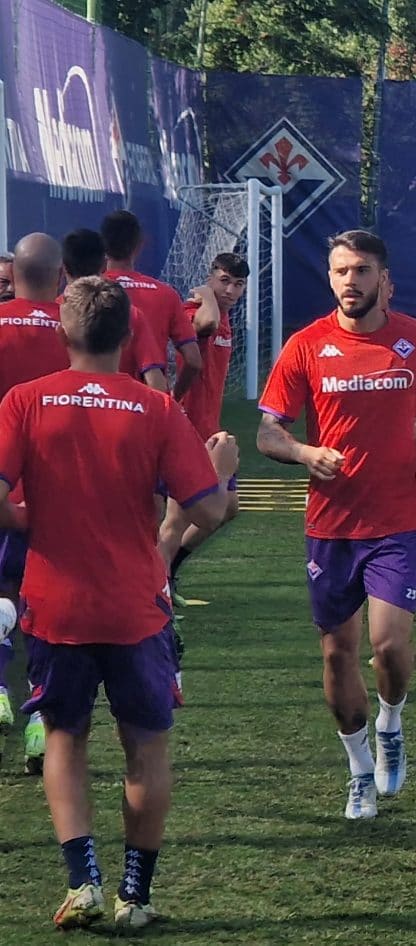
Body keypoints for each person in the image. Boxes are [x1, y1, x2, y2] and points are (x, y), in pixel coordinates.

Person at [0, 275, 237, 929]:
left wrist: (25, 522)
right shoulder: (156, 409)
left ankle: (84, 885)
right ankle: (136, 895)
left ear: (63, 331)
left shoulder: (25, 401)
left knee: (65, 740)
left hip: (55, 605)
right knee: (145, 747)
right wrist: (218, 471)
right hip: (135, 607)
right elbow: (209, 510)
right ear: (129, 333)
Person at [257, 230, 416, 819]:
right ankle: (359, 771)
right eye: (341, 270)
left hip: (399, 518)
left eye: (362, 270)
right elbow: (269, 431)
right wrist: (302, 453)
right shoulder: (305, 346)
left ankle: (391, 722)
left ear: (383, 278)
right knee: (335, 655)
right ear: (330, 277)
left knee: (389, 646)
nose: (351, 281)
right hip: (331, 523)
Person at [0, 234, 74, 772]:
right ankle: (37, 721)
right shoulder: (76, 330)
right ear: (61, 274)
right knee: (43, 606)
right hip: (57, 489)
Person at [162, 254, 250, 594]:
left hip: (209, 430)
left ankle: (170, 568)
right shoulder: (193, 311)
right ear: (210, 278)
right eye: (223, 280)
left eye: (238, 284)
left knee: (227, 508)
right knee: (176, 520)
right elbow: (206, 325)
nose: (230, 290)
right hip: (185, 432)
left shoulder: (225, 319)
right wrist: (208, 296)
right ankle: (158, 587)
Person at [101, 212, 202, 397]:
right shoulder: (165, 294)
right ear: (140, 245)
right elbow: (194, 360)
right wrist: (173, 399)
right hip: (146, 405)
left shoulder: (86, 293)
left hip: (95, 402)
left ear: (103, 247)